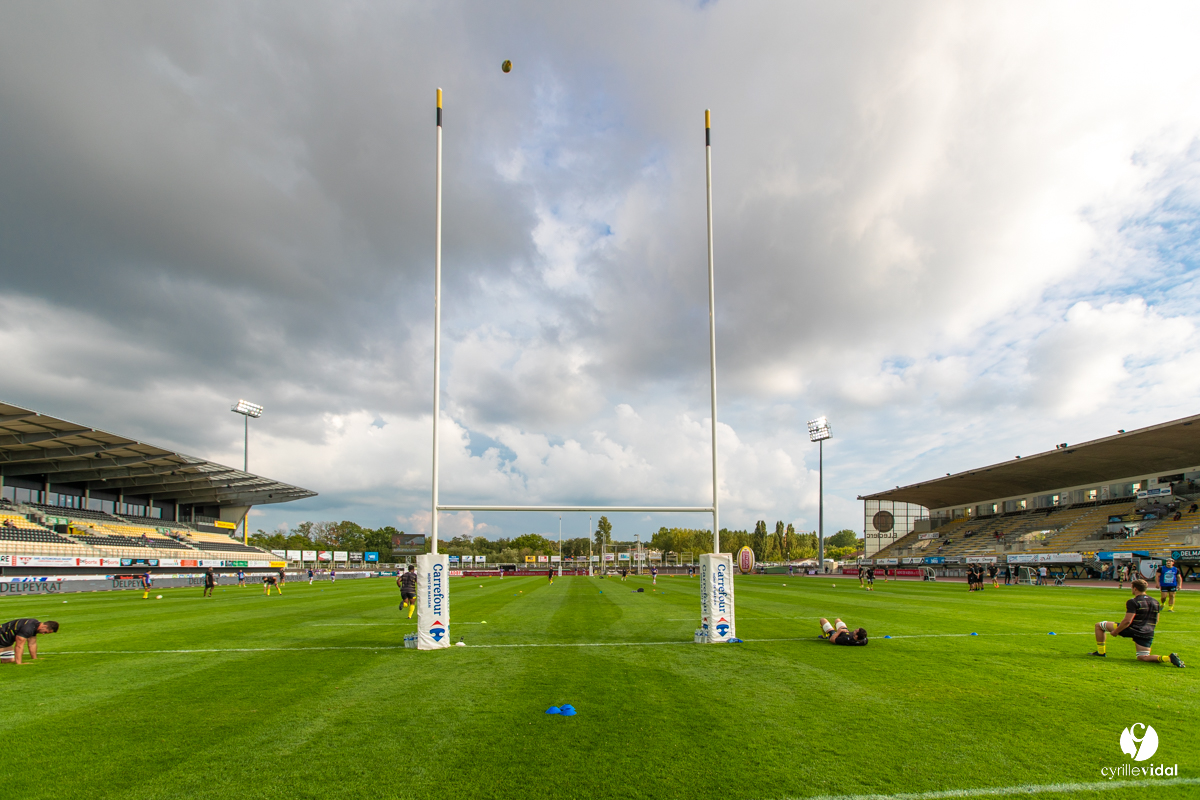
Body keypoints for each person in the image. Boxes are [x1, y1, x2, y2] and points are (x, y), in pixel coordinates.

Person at [1090, 579, 1184, 667]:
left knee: (1099, 625)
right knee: (1143, 657)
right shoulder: (1155, 601)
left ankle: (1101, 652)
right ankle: (1168, 658)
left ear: (1135, 588)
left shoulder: (1133, 601)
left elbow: (1127, 621)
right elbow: (1157, 620)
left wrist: (1116, 631)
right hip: (1147, 632)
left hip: (1132, 629)